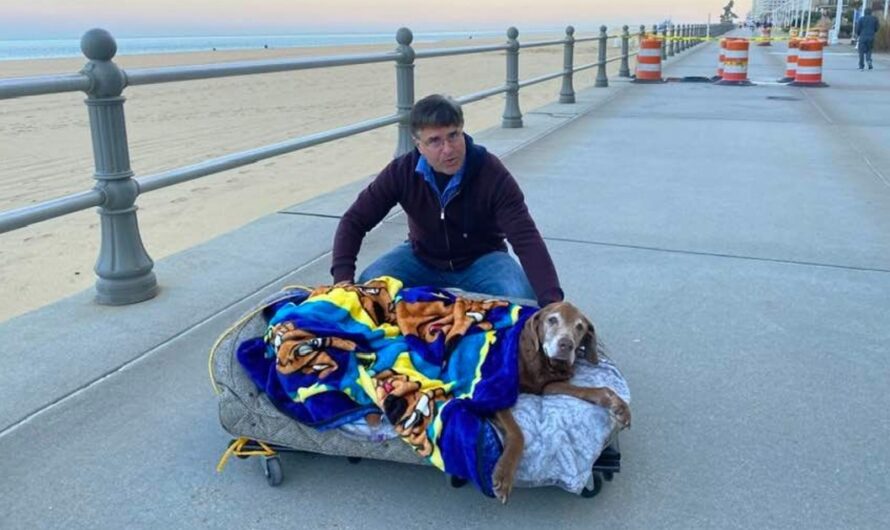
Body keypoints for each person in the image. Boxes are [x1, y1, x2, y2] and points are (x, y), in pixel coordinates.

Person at [330, 94, 564, 306]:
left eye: (453, 135)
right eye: (435, 141)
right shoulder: (402, 172)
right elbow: (355, 220)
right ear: (418, 145)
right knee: (369, 289)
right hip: (420, 257)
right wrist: (342, 280)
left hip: (482, 259)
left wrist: (552, 299)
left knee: (522, 297)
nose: (448, 149)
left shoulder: (491, 173)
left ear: (462, 130)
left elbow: (525, 237)